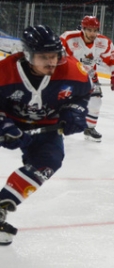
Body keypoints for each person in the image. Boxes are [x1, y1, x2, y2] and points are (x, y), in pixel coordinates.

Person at [0, 25, 92, 244]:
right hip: (11, 122)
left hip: (47, 125)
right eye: (44, 57)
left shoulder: (72, 70)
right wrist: (3, 124)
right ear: (28, 55)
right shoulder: (4, 71)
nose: (51, 62)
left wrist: (75, 113)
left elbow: (83, 95)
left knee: (49, 162)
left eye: (55, 56)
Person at [60, 16, 114, 143]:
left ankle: (89, 129)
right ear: (83, 29)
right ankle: (56, 128)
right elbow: (56, 56)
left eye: (95, 30)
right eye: (89, 30)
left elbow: (113, 59)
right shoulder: (69, 38)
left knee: (96, 101)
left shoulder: (103, 42)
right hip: (68, 75)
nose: (93, 33)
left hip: (89, 75)